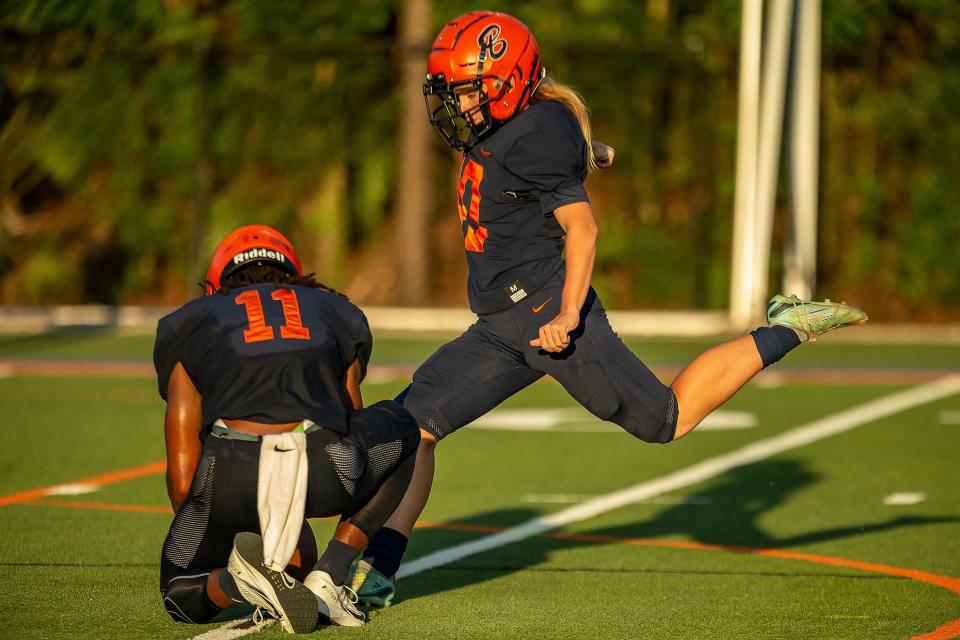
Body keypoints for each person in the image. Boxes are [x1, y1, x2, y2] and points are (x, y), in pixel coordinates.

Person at [349, 10, 868, 607]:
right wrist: (586, 151)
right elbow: (534, 160)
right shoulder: (525, 123)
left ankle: (786, 327)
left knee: (665, 420)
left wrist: (569, 316)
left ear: (508, 81)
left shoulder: (536, 131)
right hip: (499, 325)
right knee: (415, 429)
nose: (459, 104)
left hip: (549, 315)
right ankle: (378, 571)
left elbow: (584, 230)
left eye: (468, 90)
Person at [155, 225, 420, 632]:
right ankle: (331, 573)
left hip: (229, 472)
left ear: (218, 284)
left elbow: (181, 484)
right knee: (403, 430)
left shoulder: (188, 322)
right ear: (294, 274)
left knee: (178, 592)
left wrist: (245, 519)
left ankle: (234, 582)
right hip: (321, 465)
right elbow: (352, 426)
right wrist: (289, 519)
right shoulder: (334, 310)